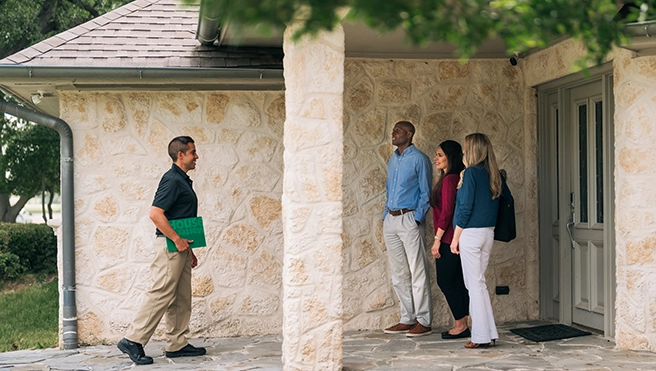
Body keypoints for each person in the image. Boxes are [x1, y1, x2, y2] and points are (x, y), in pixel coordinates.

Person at [117, 136, 206, 365]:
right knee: (162, 293)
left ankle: (177, 343)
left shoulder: (183, 180)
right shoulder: (172, 180)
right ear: (181, 155)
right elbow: (155, 214)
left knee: (181, 296)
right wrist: (177, 240)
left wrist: (189, 250)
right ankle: (133, 339)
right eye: (193, 152)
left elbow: (180, 216)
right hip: (170, 246)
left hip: (181, 247)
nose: (196, 156)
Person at [382, 121, 434, 337]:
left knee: (417, 269)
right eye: (393, 131)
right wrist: (386, 216)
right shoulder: (393, 159)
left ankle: (424, 320)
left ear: (409, 134)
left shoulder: (420, 159)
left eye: (398, 131)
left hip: (409, 218)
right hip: (391, 220)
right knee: (399, 272)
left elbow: (425, 191)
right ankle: (407, 318)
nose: (393, 134)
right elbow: (388, 189)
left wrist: (417, 219)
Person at [450, 133, 502, 348]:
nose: (463, 152)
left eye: (465, 148)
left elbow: (465, 209)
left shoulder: (471, 173)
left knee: (475, 285)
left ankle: (481, 336)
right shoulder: (493, 173)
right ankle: (488, 332)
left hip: (470, 233)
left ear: (472, 150)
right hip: (488, 232)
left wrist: (455, 239)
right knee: (479, 283)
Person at [429, 140, 470, 340]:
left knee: (446, 281)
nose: (435, 159)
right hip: (452, 238)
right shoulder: (450, 178)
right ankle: (463, 323)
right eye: (436, 155)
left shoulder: (450, 180)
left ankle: (461, 324)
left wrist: (437, 239)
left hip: (447, 239)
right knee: (456, 281)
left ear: (450, 158)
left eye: (440, 155)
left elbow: (447, 212)